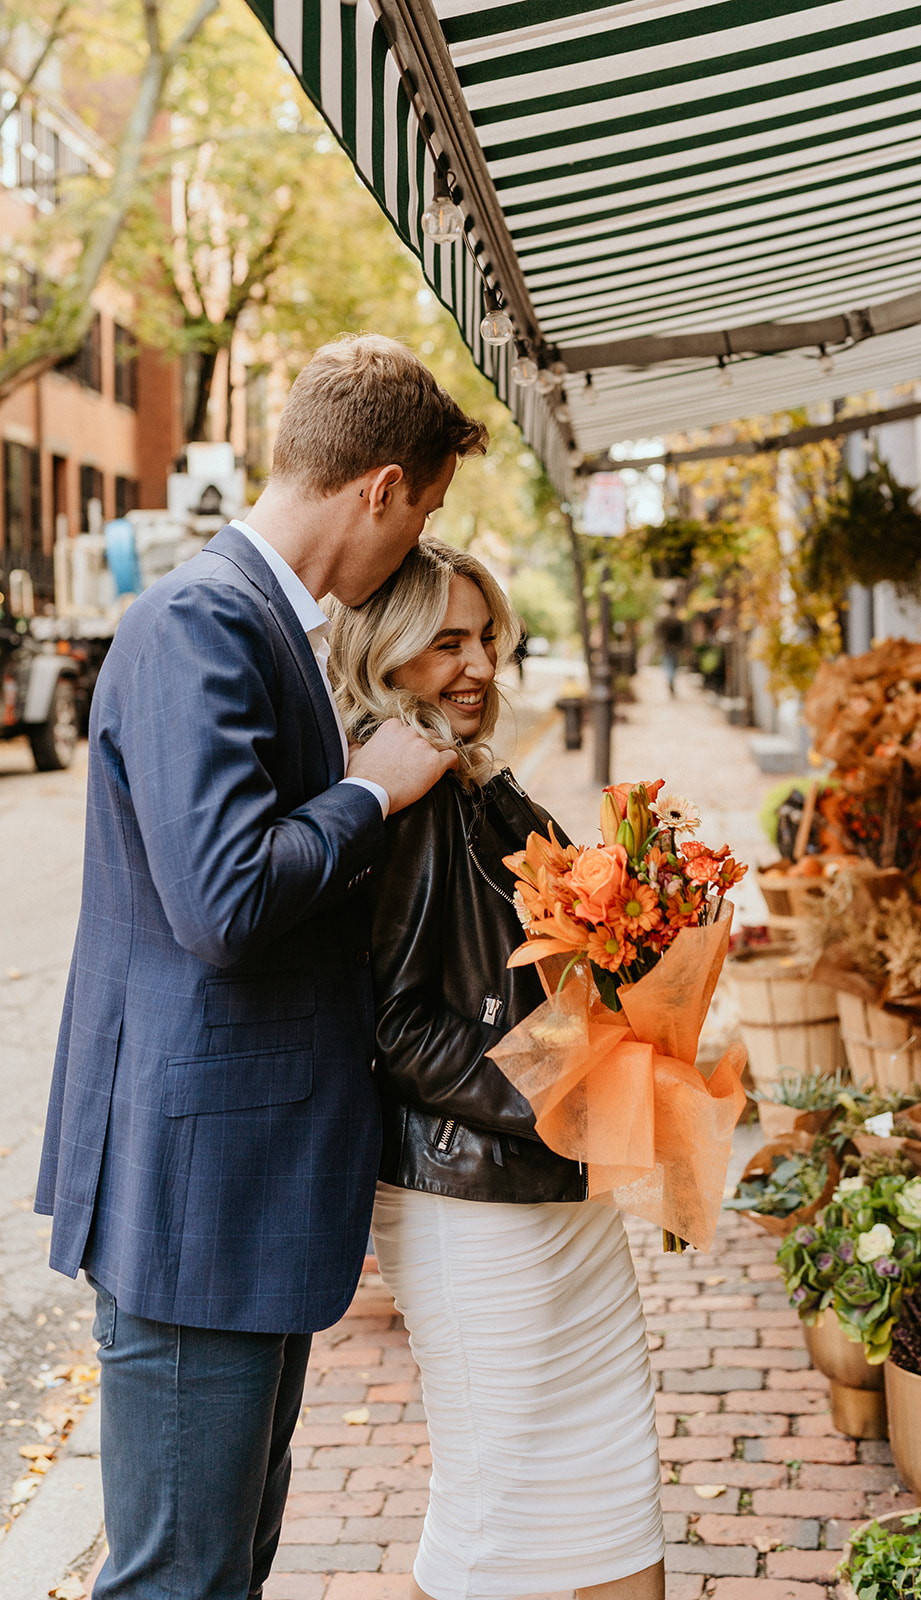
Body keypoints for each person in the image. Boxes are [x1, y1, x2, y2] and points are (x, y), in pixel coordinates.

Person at [34, 335, 487, 1600]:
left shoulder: (271, 626)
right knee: (179, 1577)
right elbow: (224, 903)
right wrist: (367, 789)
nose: (418, 540)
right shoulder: (198, 622)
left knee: (230, 1564)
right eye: (428, 511)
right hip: (198, 1195)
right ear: (381, 487)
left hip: (247, 1183)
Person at [325, 538, 665, 1600]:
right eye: (444, 643)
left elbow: (581, 935)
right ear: (384, 657)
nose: (476, 665)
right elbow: (394, 1026)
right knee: (492, 1515)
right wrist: (553, 1102)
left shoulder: (480, 785)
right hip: (468, 1203)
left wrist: (650, 918)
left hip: (550, 1188)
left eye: (485, 638)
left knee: (615, 1486)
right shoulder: (397, 798)